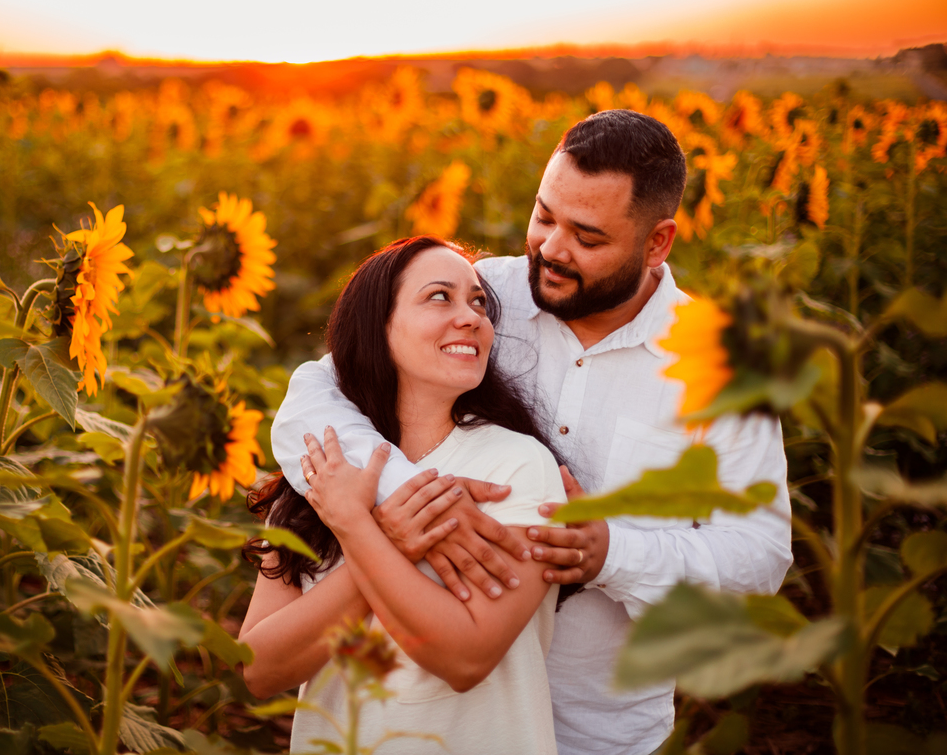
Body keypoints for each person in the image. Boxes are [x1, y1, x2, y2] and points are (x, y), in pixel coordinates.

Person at [271, 109, 794, 754]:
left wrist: (611, 553)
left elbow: (760, 554)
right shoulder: (483, 297)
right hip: (425, 718)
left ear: (658, 242)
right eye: (544, 216)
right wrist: (416, 499)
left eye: (587, 236)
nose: (550, 249)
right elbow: (316, 394)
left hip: (599, 729)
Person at [240, 237, 567, 754]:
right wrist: (378, 536)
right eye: (441, 296)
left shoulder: (517, 466)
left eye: (478, 301)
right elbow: (257, 670)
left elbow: (466, 658)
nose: (472, 318)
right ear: (378, 327)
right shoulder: (325, 470)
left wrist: (358, 530)